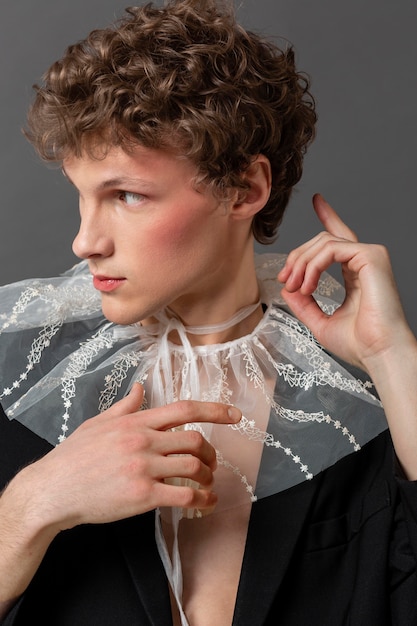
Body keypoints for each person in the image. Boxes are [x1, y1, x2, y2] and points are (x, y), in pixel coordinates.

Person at [0, 0, 416, 624]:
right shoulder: (24, 379)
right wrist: (31, 507)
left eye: (128, 195)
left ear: (245, 189)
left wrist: (393, 357)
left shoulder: (359, 402)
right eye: (82, 197)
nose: (85, 241)